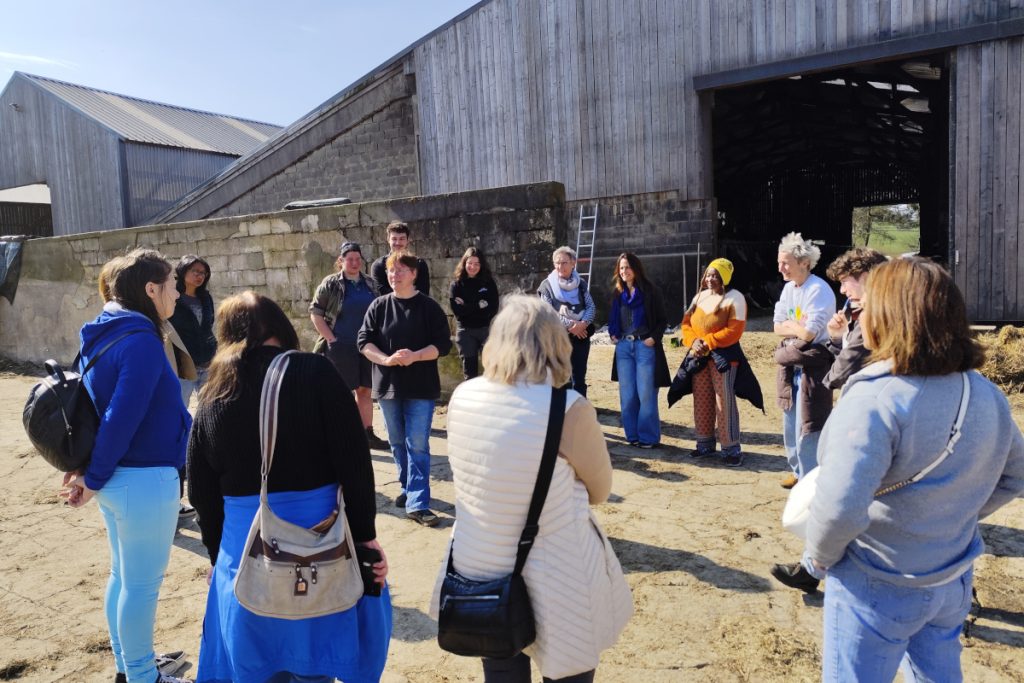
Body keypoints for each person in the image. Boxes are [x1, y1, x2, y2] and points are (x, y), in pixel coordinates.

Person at [796, 258, 1024, 681]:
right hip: (951, 577)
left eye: (869, 307)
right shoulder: (986, 393)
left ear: (890, 316)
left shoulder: (874, 398)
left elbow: (839, 508)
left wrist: (818, 560)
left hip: (876, 579)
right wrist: (950, 517)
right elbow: (1014, 476)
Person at [187, 291, 392, 683]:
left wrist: (217, 554)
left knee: (257, 665)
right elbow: (355, 463)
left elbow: (200, 489)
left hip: (244, 548)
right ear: (280, 326)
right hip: (318, 544)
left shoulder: (215, 387)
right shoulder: (314, 371)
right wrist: (365, 537)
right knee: (314, 659)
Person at [434, 295, 633, 682]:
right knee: (568, 668)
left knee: (501, 667)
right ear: (556, 343)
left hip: (481, 564)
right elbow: (600, 490)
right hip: (556, 567)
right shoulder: (568, 408)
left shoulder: (463, 397)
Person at [60, 248, 194, 683]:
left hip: (122, 478)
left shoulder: (106, 331)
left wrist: (92, 473)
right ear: (151, 289)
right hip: (143, 479)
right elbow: (121, 416)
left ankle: (130, 666)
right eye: (172, 284)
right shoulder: (140, 340)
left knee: (123, 577)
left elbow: (97, 411)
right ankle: (141, 675)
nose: (177, 292)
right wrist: (93, 476)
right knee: (140, 586)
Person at [772, 246, 887, 591]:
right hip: (873, 412)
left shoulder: (873, 318)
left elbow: (838, 368)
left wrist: (832, 343)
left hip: (871, 417)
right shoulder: (867, 313)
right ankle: (813, 567)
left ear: (866, 278)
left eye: (847, 281)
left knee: (843, 491)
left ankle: (817, 567)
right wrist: (836, 338)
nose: (842, 289)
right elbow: (782, 327)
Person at [358, 251, 452, 527]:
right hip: (388, 386)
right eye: (391, 270)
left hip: (421, 387)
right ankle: (408, 486)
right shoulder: (378, 306)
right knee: (397, 442)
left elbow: (442, 345)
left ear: (414, 274)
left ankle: (418, 503)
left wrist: (415, 356)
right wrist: (386, 359)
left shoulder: (429, 307)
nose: (394, 275)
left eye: (400, 270)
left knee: (418, 444)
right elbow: (364, 342)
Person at [309, 241, 389, 449]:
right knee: (341, 392)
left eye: (357, 259)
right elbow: (316, 313)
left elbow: (380, 312)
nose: (354, 263)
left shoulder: (370, 284)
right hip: (341, 346)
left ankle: (367, 434)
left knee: (365, 390)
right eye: (350, 259)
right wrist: (331, 339)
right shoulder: (331, 284)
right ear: (341, 261)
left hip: (366, 346)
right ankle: (340, 434)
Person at [677, 258, 757, 466]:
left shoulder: (735, 298)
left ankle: (731, 449)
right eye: (708, 275)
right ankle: (704, 444)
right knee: (701, 398)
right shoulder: (698, 298)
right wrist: (693, 342)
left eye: (715, 275)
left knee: (724, 401)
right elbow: (686, 324)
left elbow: (734, 330)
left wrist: (708, 342)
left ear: (724, 278)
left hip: (725, 358)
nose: (710, 279)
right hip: (699, 356)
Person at [773, 232, 835, 488]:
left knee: (809, 422)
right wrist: (795, 326)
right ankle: (798, 471)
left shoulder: (818, 289)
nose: (781, 268)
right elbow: (777, 326)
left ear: (804, 263)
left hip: (813, 365)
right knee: (790, 421)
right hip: (791, 363)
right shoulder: (789, 289)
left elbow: (810, 334)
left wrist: (793, 326)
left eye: (786, 263)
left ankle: (812, 478)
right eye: (779, 262)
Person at [607, 252, 670, 448]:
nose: (624, 271)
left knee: (646, 394)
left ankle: (648, 438)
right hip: (624, 348)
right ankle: (632, 436)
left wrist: (653, 338)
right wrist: (613, 334)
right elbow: (613, 319)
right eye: (621, 268)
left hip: (645, 346)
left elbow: (662, 320)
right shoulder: (618, 293)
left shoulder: (651, 291)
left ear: (636, 268)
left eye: (627, 267)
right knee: (627, 396)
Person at [537, 246, 595, 396]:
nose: (560, 266)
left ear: (573, 263)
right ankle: (561, 409)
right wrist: (571, 326)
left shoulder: (581, 283)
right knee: (560, 378)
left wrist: (583, 324)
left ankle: (579, 407)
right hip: (557, 338)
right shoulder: (547, 286)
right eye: (557, 263)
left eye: (564, 262)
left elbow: (590, 306)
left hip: (581, 337)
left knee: (579, 378)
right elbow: (548, 311)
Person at [169, 255, 216, 406]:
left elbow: (209, 325)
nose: (199, 276)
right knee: (180, 408)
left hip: (207, 362)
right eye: (195, 271)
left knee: (210, 407)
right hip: (183, 364)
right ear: (183, 271)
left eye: (203, 273)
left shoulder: (205, 297)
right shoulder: (173, 297)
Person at [449, 246, 500, 379]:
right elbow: (458, 312)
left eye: (477, 264)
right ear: (464, 263)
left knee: (492, 371)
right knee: (470, 374)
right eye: (470, 263)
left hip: (485, 330)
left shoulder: (488, 283)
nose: (473, 267)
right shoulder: (456, 285)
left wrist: (466, 306)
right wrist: (479, 305)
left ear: (481, 265)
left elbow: (492, 309)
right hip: (465, 332)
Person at [370, 220, 431, 297]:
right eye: (394, 239)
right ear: (388, 240)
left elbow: (423, 293)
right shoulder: (379, 266)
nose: (398, 243)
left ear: (407, 240)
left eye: (402, 239)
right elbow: (380, 294)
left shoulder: (419, 264)